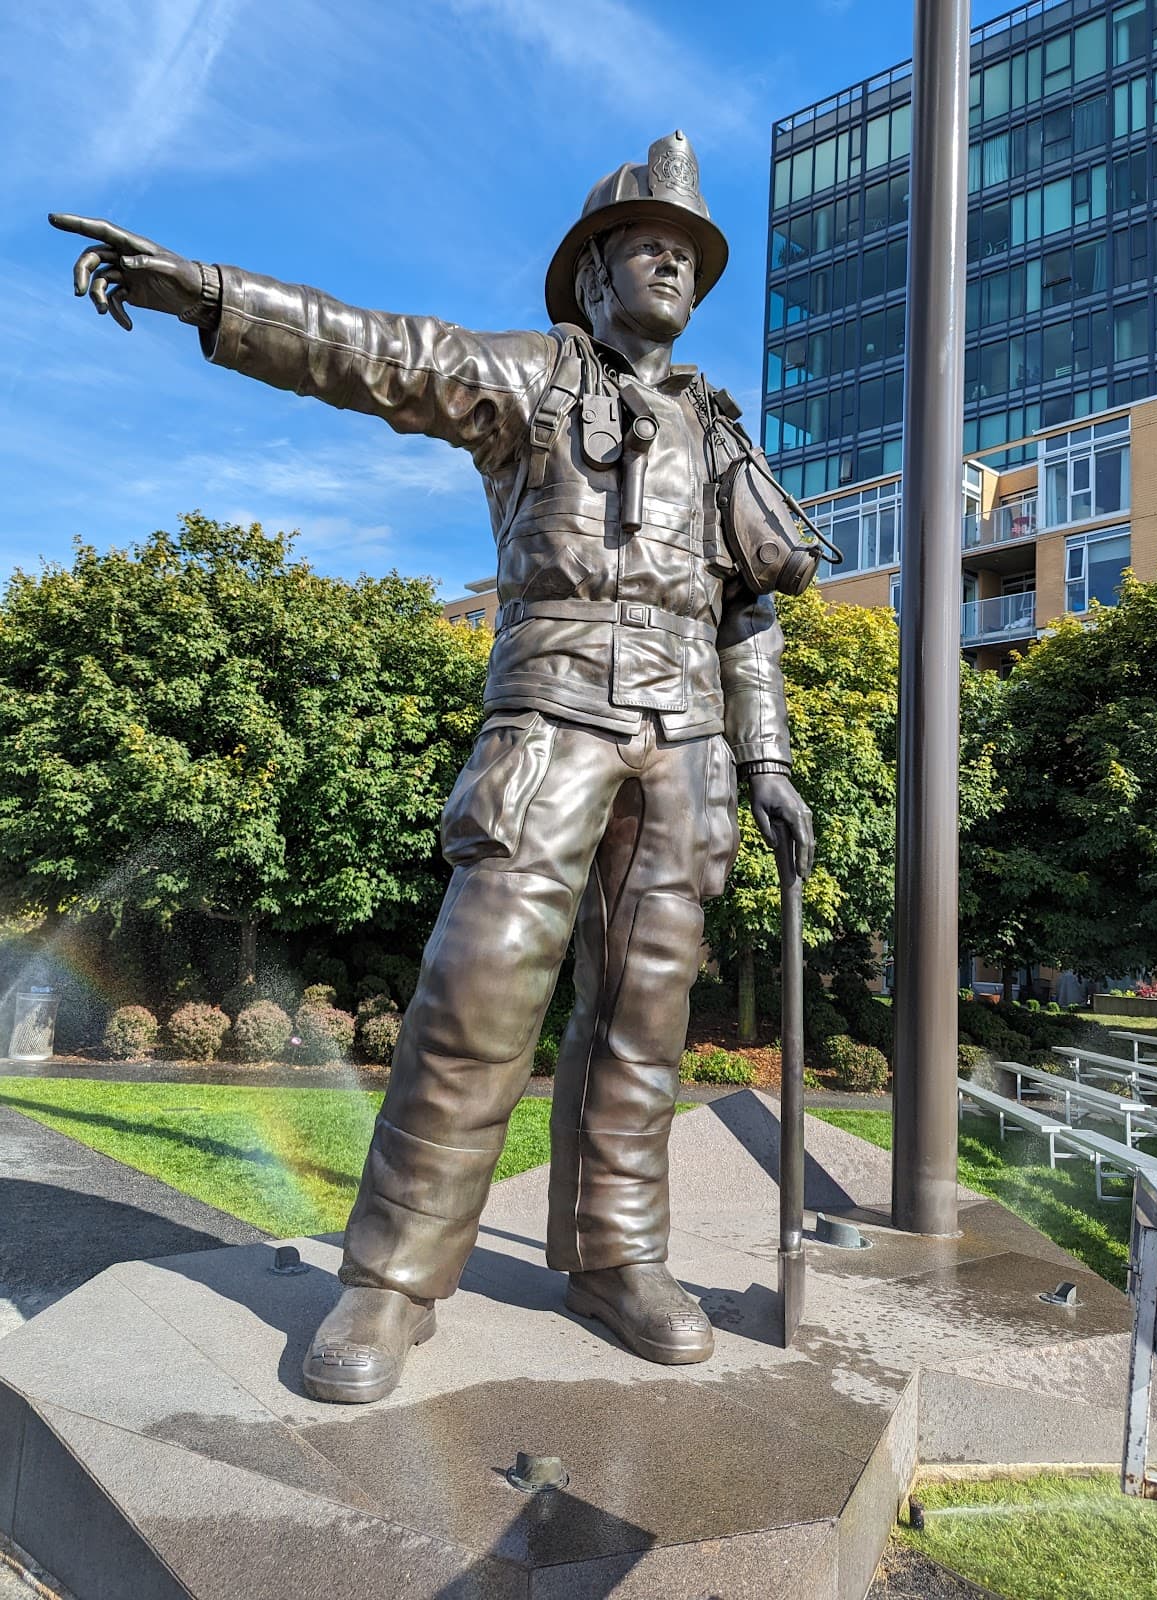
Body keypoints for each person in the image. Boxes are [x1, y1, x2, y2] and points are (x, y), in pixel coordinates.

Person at [51, 130, 816, 1405]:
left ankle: (618, 1258)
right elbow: (373, 350)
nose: (671, 263)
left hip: (684, 745)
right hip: (551, 718)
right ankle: (393, 1279)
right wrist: (214, 295)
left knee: (646, 1021)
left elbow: (750, 612)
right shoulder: (528, 380)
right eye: (648, 245)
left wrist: (769, 756)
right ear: (592, 274)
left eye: (687, 253)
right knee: (478, 1000)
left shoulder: (715, 431)